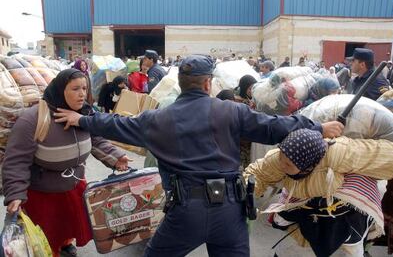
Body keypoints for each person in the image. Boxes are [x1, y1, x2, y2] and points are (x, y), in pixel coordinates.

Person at [54, 55, 344, 257]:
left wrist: (80, 120)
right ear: (208, 84)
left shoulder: (157, 119)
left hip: (186, 213)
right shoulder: (232, 110)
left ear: (181, 82)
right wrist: (318, 126)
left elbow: (115, 124)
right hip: (231, 209)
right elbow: (274, 126)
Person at [2, 69, 129, 257]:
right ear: (61, 90)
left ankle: (65, 244)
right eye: (75, 88)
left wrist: (116, 157)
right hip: (43, 194)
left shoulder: (84, 114)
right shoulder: (34, 119)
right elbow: (16, 160)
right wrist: (15, 193)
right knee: (46, 234)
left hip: (75, 186)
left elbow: (96, 140)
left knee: (69, 223)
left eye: (84, 88)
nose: (82, 94)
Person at [244, 129, 393, 257]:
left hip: (344, 200)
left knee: (351, 243)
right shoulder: (281, 157)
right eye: (281, 157)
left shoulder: (340, 153)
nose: (282, 164)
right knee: (289, 231)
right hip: (303, 199)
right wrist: (244, 195)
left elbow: (377, 153)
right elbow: (258, 173)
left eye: (288, 164)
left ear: (308, 164)